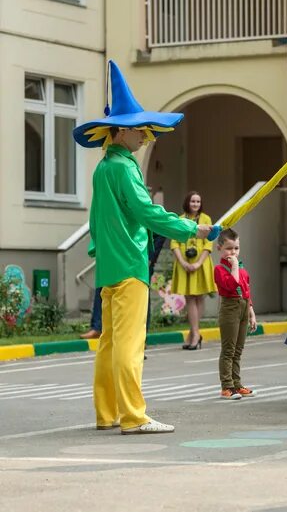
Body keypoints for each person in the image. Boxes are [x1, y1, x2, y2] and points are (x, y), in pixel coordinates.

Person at [73, 59, 211, 434]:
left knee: (109, 344)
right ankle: (133, 416)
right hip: (131, 265)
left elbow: (97, 219)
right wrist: (190, 229)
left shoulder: (103, 169)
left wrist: (99, 253)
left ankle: (107, 414)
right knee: (130, 345)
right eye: (140, 131)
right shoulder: (124, 168)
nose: (146, 137)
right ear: (121, 131)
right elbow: (146, 211)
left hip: (109, 267)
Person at [213, 229, 257, 400]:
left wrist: (251, 312)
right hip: (229, 308)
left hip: (244, 306)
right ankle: (227, 386)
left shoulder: (241, 268)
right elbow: (232, 285)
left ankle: (237, 384)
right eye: (229, 249)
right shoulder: (220, 269)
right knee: (228, 350)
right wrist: (234, 267)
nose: (233, 252)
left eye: (236, 248)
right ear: (220, 249)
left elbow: (246, 291)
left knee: (238, 349)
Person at [169, 191, 215, 349]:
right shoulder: (180, 220)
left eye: (198, 201)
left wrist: (197, 264)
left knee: (199, 297)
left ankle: (194, 333)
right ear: (187, 202)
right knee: (189, 298)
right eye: (193, 201)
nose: (196, 204)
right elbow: (174, 242)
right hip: (183, 264)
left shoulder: (206, 219)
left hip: (201, 264)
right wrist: (182, 262)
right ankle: (195, 333)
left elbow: (209, 244)